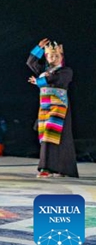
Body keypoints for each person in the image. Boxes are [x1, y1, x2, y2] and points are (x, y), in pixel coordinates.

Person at [27, 38, 78, 178]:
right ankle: (59, 168)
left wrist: (39, 81)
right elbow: (31, 62)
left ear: (61, 57)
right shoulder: (44, 71)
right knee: (47, 136)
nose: (53, 58)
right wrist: (38, 48)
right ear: (46, 57)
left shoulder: (66, 71)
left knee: (53, 136)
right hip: (44, 108)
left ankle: (48, 168)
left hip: (59, 107)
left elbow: (57, 79)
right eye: (50, 56)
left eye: (56, 56)